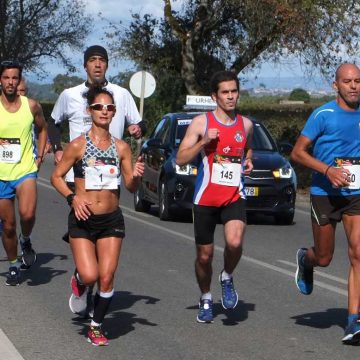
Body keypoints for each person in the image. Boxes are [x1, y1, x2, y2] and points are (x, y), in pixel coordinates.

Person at [51, 86, 144, 346]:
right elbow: (56, 177)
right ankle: (80, 280)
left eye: (110, 107)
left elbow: (130, 186)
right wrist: (72, 198)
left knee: (106, 276)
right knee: (91, 275)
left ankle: (96, 325)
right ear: (89, 111)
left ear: (115, 113)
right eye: (99, 107)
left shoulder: (122, 147)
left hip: (111, 219)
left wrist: (136, 176)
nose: (105, 111)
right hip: (82, 218)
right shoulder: (78, 145)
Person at [291, 63, 360, 344]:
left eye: (358, 81)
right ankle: (306, 260)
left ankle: (354, 321)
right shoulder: (323, 115)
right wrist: (328, 170)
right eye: (347, 81)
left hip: (356, 193)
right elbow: (297, 153)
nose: (354, 86)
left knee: (358, 254)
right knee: (325, 257)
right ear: (336, 86)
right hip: (324, 194)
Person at [176, 70, 253, 323]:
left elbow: (247, 148)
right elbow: (180, 158)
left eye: (234, 91)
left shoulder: (246, 124)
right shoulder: (201, 123)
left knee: (234, 242)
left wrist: (249, 160)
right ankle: (206, 296)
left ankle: (227, 276)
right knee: (204, 256)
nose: (231, 97)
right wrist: (203, 143)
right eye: (225, 92)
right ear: (215, 96)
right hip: (206, 198)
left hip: (233, 195)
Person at [0, 60, 48, 285]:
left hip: (25, 169)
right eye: (6, 77)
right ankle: (13, 264)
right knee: (7, 225)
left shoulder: (31, 106)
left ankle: (26, 239)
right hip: (1, 175)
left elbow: (43, 128)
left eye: (14, 78)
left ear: (20, 81)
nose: (11, 82)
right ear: (0, 80)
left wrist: (39, 157)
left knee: (27, 215)